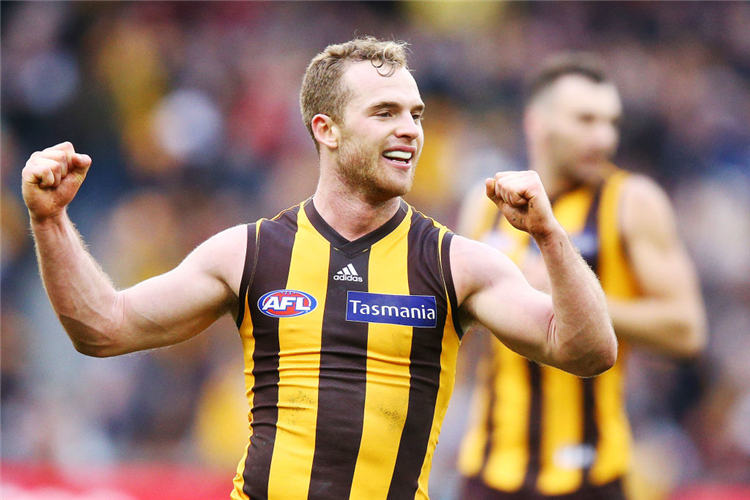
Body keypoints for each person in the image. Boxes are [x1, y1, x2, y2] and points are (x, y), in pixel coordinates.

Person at [21, 37, 616, 500]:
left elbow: (587, 351)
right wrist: (50, 221)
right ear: (325, 130)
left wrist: (549, 235)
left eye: (416, 114)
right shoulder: (248, 252)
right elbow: (103, 327)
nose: (410, 129)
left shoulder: (454, 262)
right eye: (385, 112)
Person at [456, 54, 707, 500]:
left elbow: (686, 331)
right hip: (489, 469)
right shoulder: (484, 200)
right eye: (586, 120)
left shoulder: (632, 201)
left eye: (611, 122)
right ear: (537, 121)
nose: (604, 137)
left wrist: (568, 296)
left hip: (591, 474)